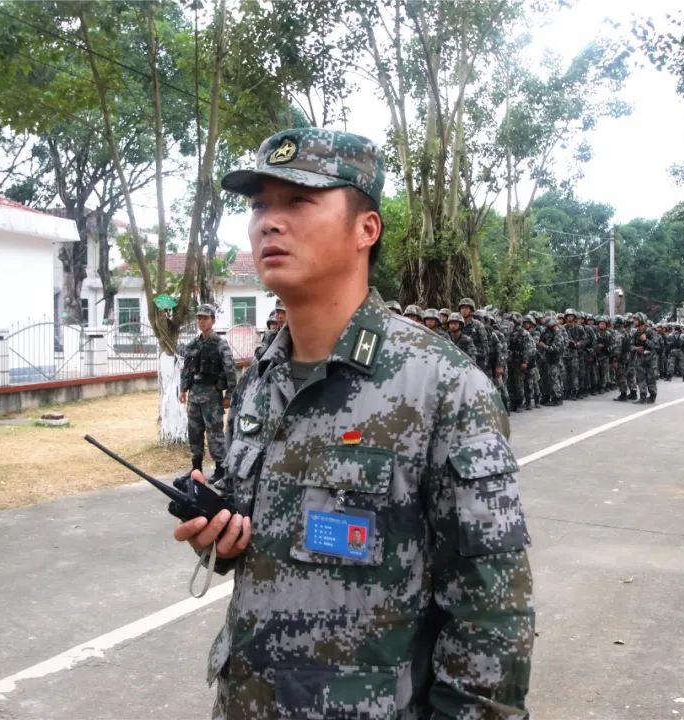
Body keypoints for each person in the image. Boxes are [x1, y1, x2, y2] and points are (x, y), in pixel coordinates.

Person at [174, 127, 533, 719]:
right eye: (259, 204)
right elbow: (265, 529)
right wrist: (222, 532)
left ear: (367, 229)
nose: (269, 222)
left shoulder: (441, 385)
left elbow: (493, 611)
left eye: (298, 201)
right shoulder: (262, 378)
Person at [179, 304, 237, 483]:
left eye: (205, 318)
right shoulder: (193, 344)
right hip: (194, 396)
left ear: (213, 320)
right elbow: (186, 368)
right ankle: (196, 469)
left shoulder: (220, 344)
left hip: (212, 396)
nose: (201, 321)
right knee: (194, 433)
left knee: (215, 435)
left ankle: (220, 470)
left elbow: (230, 370)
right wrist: (183, 389)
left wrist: (229, 395)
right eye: (199, 318)